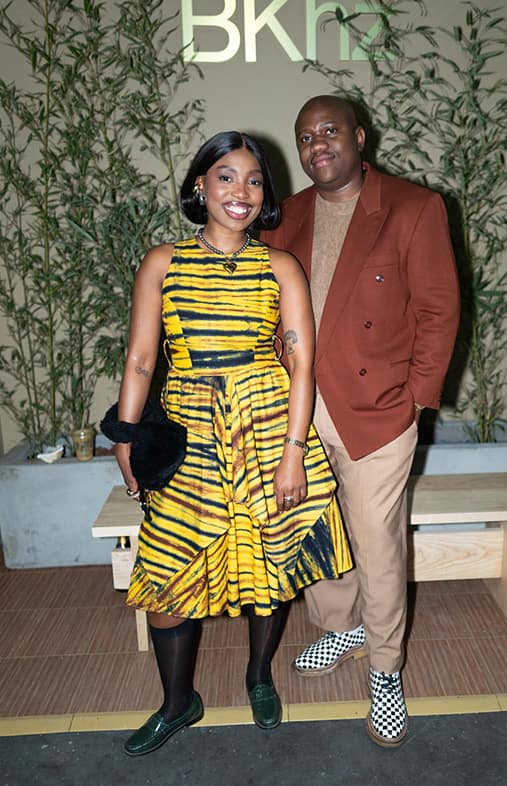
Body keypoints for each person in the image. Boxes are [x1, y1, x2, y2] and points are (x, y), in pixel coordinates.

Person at [113, 130, 352, 757]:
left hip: (266, 425)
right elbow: (141, 360)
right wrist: (127, 437)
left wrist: (294, 453)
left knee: (268, 562)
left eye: (254, 180)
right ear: (200, 184)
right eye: (226, 176)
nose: (241, 191)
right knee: (166, 569)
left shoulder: (280, 266)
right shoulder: (162, 262)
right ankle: (177, 702)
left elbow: (301, 365)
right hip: (187, 432)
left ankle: (258, 676)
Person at [261, 95, 460, 747]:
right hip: (297, 410)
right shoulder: (286, 215)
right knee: (319, 531)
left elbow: (439, 310)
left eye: (329, 131)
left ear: (360, 137)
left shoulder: (412, 207)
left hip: (377, 410)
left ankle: (385, 668)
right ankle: (341, 627)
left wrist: (415, 400)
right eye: (305, 137)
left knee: (375, 542)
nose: (317, 144)